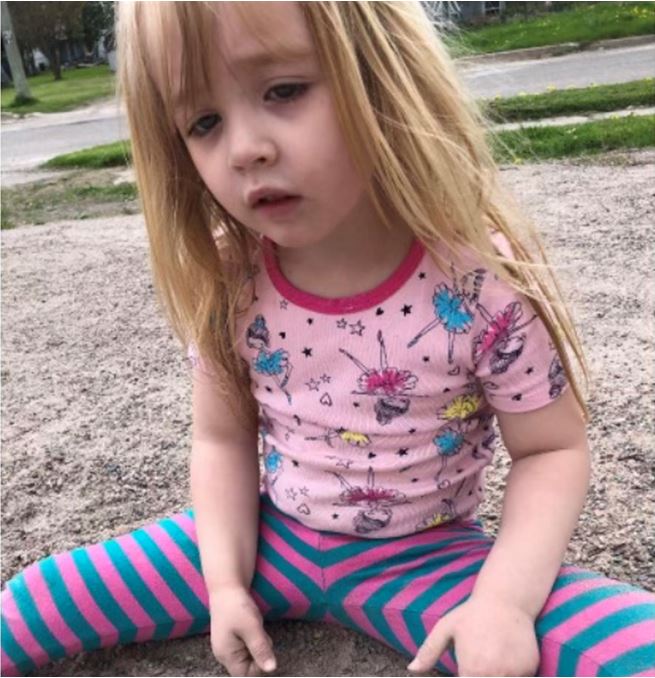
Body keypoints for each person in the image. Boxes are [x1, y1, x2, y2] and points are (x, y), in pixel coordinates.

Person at [2, 2, 653, 676]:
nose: (245, 149)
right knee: (32, 601)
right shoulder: (231, 276)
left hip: (429, 562)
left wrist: (504, 602)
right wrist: (224, 584)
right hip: (265, 541)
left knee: (635, 649)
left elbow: (550, 449)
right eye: (204, 122)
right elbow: (221, 439)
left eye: (284, 90)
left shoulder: (479, 279)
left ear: (382, 73)